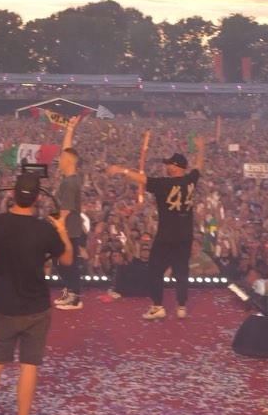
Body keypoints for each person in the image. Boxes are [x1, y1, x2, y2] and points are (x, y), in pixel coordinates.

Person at [0, 172, 72, 415]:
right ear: (38, 198)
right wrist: (61, 229)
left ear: (12, 193)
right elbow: (67, 259)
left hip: (5, 306)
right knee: (29, 365)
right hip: (36, 306)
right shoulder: (44, 229)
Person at [107, 134, 205, 320]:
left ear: (176, 167)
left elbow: (142, 179)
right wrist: (201, 148)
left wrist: (122, 170)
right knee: (181, 268)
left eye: (169, 164)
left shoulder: (164, 184)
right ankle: (181, 306)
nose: (166, 166)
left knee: (154, 269)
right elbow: (198, 167)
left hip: (167, 234)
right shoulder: (191, 180)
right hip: (185, 234)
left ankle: (158, 305)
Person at [54, 115, 84, 310]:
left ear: (67, 161)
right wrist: (70, 129)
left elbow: (65, 211)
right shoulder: (72, 178)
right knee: (62, 263)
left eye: (61, 157)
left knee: (67, 264)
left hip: (68, 230)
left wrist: (58, 228)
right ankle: (69, 291)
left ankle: (74, 296)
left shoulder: (69, 183)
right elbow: (67, 150)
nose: (58, 158)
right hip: (71, 230)